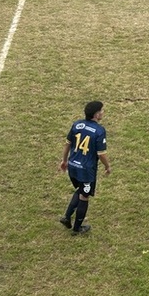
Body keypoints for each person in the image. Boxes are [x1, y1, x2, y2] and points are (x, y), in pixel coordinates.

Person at [59, 101, 111, 235]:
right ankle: (77, 229)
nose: (103, 112)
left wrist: (64, 160)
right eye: (102, 110)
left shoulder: (77, 124)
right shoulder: (99, 131)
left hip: (73, 166)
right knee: (84, 196)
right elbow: (101, 154)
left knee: (80, 189)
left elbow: (67, 144)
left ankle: (66, 217)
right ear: (96, 114)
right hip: (86, 170)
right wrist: (107, 166)